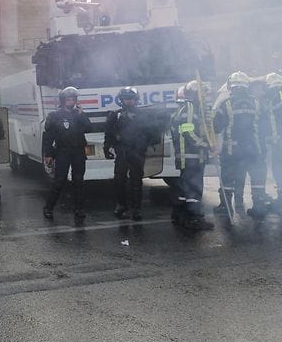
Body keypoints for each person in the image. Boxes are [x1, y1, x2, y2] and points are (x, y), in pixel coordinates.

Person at [214, 71, 270, 219]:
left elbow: (216, 126)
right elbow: (266, 126)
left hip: (233, 150)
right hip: (255, 149)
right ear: (247, 86)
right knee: (257, 176)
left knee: (228, 178)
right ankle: (258, 206)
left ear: (231, 86)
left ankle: (226, 207)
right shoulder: (257, 103)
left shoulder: (225, 104)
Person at [104, 87, 158, 220]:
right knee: (119, 180)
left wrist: (143, 144)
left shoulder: (144, 116)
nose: (128, 101)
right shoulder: (115, 116)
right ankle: (121, 205)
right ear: (121, 100)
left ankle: (136, 209)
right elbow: (108, 134)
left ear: (136, 100)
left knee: (136, 181)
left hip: (137, 152)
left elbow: (154, 134)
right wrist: (107, 148)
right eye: (126, 99)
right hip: (121, 151)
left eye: (131, 99)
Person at [42, 87, 93, 220]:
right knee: (59, 181)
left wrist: (82, 115)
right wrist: (48, 154)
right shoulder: (54, 116)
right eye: (68, 99)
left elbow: (89, 128)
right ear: (63, 100)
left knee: (78, 181)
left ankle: (78, 208)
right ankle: (48, 207)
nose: (71, 102)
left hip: (78, 151)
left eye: (73, 99)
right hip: (62, 151)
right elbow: (48, 137)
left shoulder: (79, 114)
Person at [170, 82, 214, 231]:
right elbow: (189, 131)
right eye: (204, 94)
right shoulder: (190, 109)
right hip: (192, 156)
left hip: (186, 156)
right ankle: (194, 218)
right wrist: (205, 144)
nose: (206, 97)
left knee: (184, 188)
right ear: (196, 94)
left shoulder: (183, 108)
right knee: (194, 189)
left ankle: (180, 214)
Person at [266, 73, 282, 206]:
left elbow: (272, 120)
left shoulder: (273, 97)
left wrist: (273, 137)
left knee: (278, 167)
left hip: (279, 141)